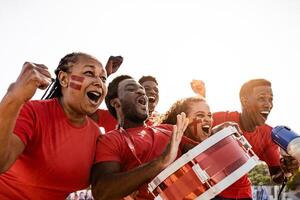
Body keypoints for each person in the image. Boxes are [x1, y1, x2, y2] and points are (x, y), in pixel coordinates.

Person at [0, 52, 115, 199]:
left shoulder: (96, 135)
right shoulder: (33, 112)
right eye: (89, 73)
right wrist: (14, 96)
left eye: (103, 78)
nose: (99, 82)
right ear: (64, 79)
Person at [192, 78, 299, 199]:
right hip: (209, 192)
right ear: (245, 101)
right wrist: (213, 131)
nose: (268, 104)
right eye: (261, 98)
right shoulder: (221, 119)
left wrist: (286, 169)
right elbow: (192, 139)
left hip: (243, 194)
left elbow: (276, 177)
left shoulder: (269, 135)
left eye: (270, 99)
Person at [91, 75, 189, 200]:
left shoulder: (169, 129)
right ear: (116, 103)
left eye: (142, 90)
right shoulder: (111, 140)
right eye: (131, 89)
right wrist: (160, 162)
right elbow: (101, 191)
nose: (141, 92)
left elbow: (210, 151)